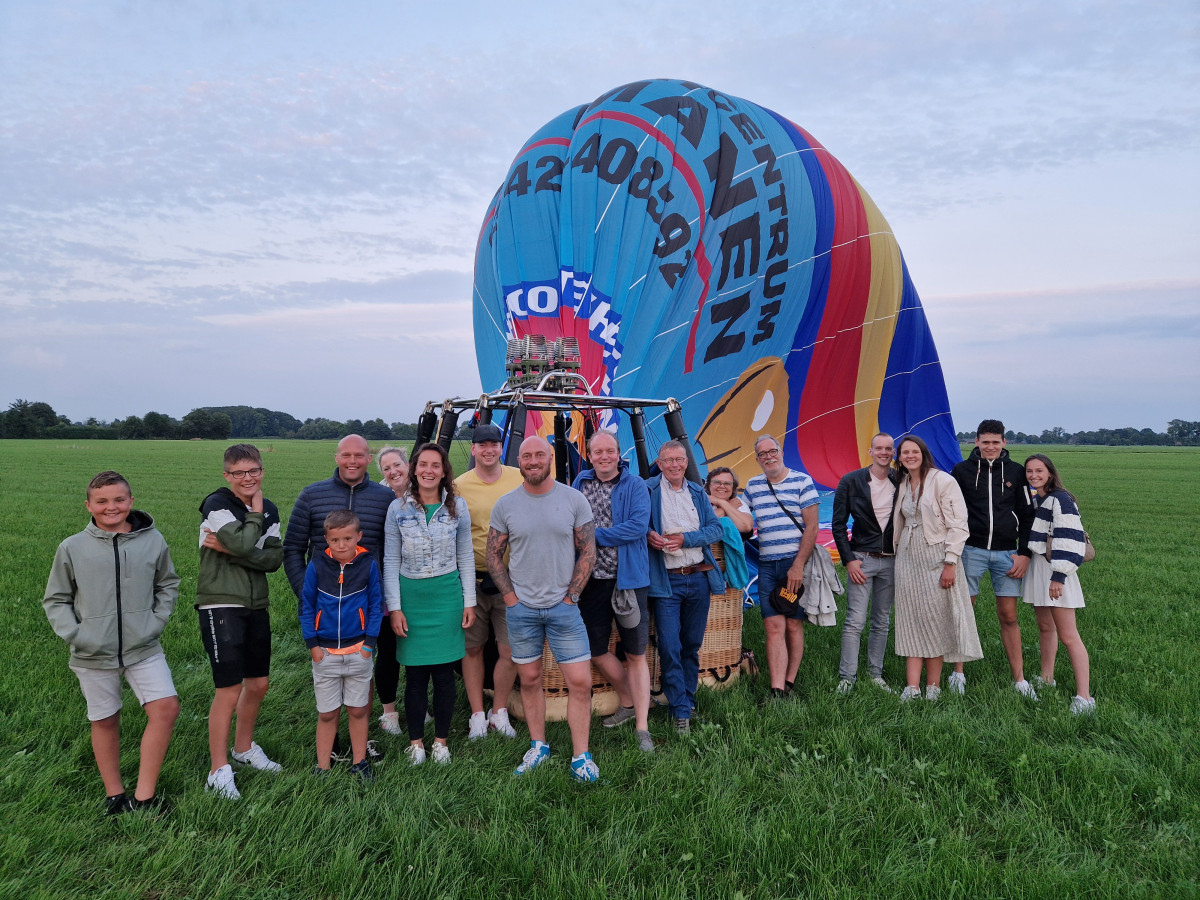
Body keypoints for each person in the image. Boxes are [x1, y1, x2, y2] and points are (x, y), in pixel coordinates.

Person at [43, 471, 181, 816]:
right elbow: (56, 599)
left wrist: (156, 621)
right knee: (105, 719)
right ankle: (115, 796)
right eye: (102, 501)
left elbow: (167, 583)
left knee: (166, 708)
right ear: (88, 505)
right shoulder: (72, 547)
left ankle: (144, 798)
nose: (111, 507)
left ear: (131, 502)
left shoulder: (152, 540)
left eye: (119, 499)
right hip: (92, 652)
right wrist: (78, 635)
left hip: (143, 646)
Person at [487, 436, 600, 782]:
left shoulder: (573, 499)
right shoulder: (506, 504)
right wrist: (510, 597)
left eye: (539, 454)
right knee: (530, 678)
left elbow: (588, 550)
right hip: (521, 609)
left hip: (564, 608)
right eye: (526, 456)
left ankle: (581, 757)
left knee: (580, 681)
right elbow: (493, 554)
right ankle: (539, 746)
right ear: (518, 461)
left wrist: (572, 596)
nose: (533, 460)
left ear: (550, 457)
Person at [284, 434, 394, 757]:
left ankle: (362, 738)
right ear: (336, 457)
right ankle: (331, 743)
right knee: (327, 675)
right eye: (346, 455)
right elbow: (292, 549)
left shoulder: (384, 498)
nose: (352, 461)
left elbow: (392, 550)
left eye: (359, 455)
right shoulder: (311, 495)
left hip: (366, 606)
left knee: (363, 670)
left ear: (369, 458)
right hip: (325, 611)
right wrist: (308, 595)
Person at [196, 444, 285, 800]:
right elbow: (248, 543)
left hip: (256, 603)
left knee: (259, 684)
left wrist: (233, 549)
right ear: (227, 475)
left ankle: (243, 748)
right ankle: (218, 770)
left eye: (253, 471)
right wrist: (255, 516)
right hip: (220, 603)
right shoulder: (216, 503)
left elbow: (273, 559)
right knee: (229, 689)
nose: (247, 478)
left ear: (262, 471)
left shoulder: (271, 508)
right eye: (239, 472)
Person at [384, 443, 477, 765]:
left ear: (444, 471)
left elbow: (466, 556)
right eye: (423, 464)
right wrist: (395, 607)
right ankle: (416, 744)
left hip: (447, 598)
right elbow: (390, 560)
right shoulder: (397, 509)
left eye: (435, 465)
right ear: (414, 469)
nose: (428, 470)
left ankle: (440, 742)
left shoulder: (457, 507)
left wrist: (469, 601)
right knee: (415, 674)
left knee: (443, 675)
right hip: (411, 599)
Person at [571, 430, 654, 753]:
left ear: (619, 454)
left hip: (628, 580)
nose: (604, 456)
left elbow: (637, 527)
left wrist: (591, 536)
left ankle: (643, 727)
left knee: (636, 653)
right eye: (598, 452)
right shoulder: (580, 483)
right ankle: (629, 700)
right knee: (595, 648)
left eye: (610, 451)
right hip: (592, 580)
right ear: (590, 456)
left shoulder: (635, 485)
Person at [891, 435, 983, 701]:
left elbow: (959, 525)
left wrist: (950, 562)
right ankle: (912, 687)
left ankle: (933, 686)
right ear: (900, 458)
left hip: (937, 555)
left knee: (935, 619)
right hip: (907, 556)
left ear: (923, 453)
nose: (910, 456)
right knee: (910, 618)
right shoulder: (903, 482)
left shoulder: (943, 480)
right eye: (905, 452)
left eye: (914, 451)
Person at [950, 419, 1037, 698]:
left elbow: (1027, 516)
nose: (990, 447)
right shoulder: (961, 471)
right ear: (976, 441)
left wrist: (1024, 554)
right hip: (971, 551)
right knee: (965, 611)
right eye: (985, 442)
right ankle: (958, 672)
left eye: (995, 442)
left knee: (1009, 615)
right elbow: (952, 513)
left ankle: (1019, 679)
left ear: (1004, 443)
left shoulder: (1016, 471)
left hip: (1007, 553)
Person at [646, 441, 725, 732]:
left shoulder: (697, 491)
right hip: (667, 580)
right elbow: (636, 523)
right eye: (668, 460)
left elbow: (716, 529)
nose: (675, 465)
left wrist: (686, 539)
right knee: (670, 646)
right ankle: (680, 709)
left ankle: (687, 702)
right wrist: (649, 534)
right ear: (659, 464)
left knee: (691, 645)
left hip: (698, 577)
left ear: (686, 462)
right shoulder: (648, 490)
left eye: (679, 459)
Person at [300, 510, 384, 782]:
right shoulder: (317, 565)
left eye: (348, 538)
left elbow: (375, 605)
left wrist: (368, 645)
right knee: (327, 713)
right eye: (335, 540)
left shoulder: (368, 564)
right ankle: (323, 767)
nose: (341, 545)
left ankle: (360, 762)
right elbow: (306, 606)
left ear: (359, 536)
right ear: (326, 540)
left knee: (358, 709)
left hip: (359, 651)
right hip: (324, 653)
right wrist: (313, 646)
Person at [454, 423, 523, 740]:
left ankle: (499, 711)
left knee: (510, 650)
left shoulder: (518, 477)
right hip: (473, 581)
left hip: (511, 581)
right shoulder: (459, 485)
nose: (488, 450)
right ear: (474, 449)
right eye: (482, 445)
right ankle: (477, 715)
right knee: (473, 649)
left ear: (501, 447)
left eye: (494, 444)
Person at [742, 434, 818, 697]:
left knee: (793, 624)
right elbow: (740, 513)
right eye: (762, 454)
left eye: (772, 451)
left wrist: (797, 566)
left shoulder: (802, 481)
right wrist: (717, 502)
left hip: (793, 565)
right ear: (757, 459)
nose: (768, 457)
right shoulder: (753, 486)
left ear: (781, 452)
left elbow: (812, 527)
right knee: (773, 627)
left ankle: (789, 681)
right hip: (766, 565)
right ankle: (776, 689)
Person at [1023, 454, 1095, 714]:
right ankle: (1046, 679)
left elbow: (1069, 538)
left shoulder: (1061, 499)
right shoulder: (1038, 498)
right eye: (1029, 471)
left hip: (1056, 569)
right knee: (1045, 628)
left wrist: (1059, 576)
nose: (1033, 475)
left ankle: (1084, 698)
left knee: (1069, 635)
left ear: (1050, 473)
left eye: (1039, 471)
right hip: (1039, 567)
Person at [831, 433, 898, 694]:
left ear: (893, 452)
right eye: (879, 448)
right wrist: (849, 560)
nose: (884, 452)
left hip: (891, 560)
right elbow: (838, 525)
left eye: (888, 448)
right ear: (870, 451)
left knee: (882, 620)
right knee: (855, 621)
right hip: (862, 559)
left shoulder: (901, 481)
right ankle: (847, 677)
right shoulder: (851, 481)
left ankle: (875, 674)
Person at [374, 446, 409, 736]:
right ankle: (389, 712)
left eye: (397, 465)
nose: (393, 471)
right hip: (386, 584)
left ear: (408, 465)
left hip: (417, 585)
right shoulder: (379, 499)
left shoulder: (426, 494)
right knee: (388, 650)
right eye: (387, 468)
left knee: (416, 648)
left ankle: (417, 703)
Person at [705, 467, 753, 534]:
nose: (722, 486)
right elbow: (702, 523)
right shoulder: (699, 500)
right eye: (717, 482)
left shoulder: (737, 501)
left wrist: (722, 503)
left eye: (727, 483)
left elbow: (746, 526)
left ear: (733, 487)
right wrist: (729, 506)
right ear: (708, 485)